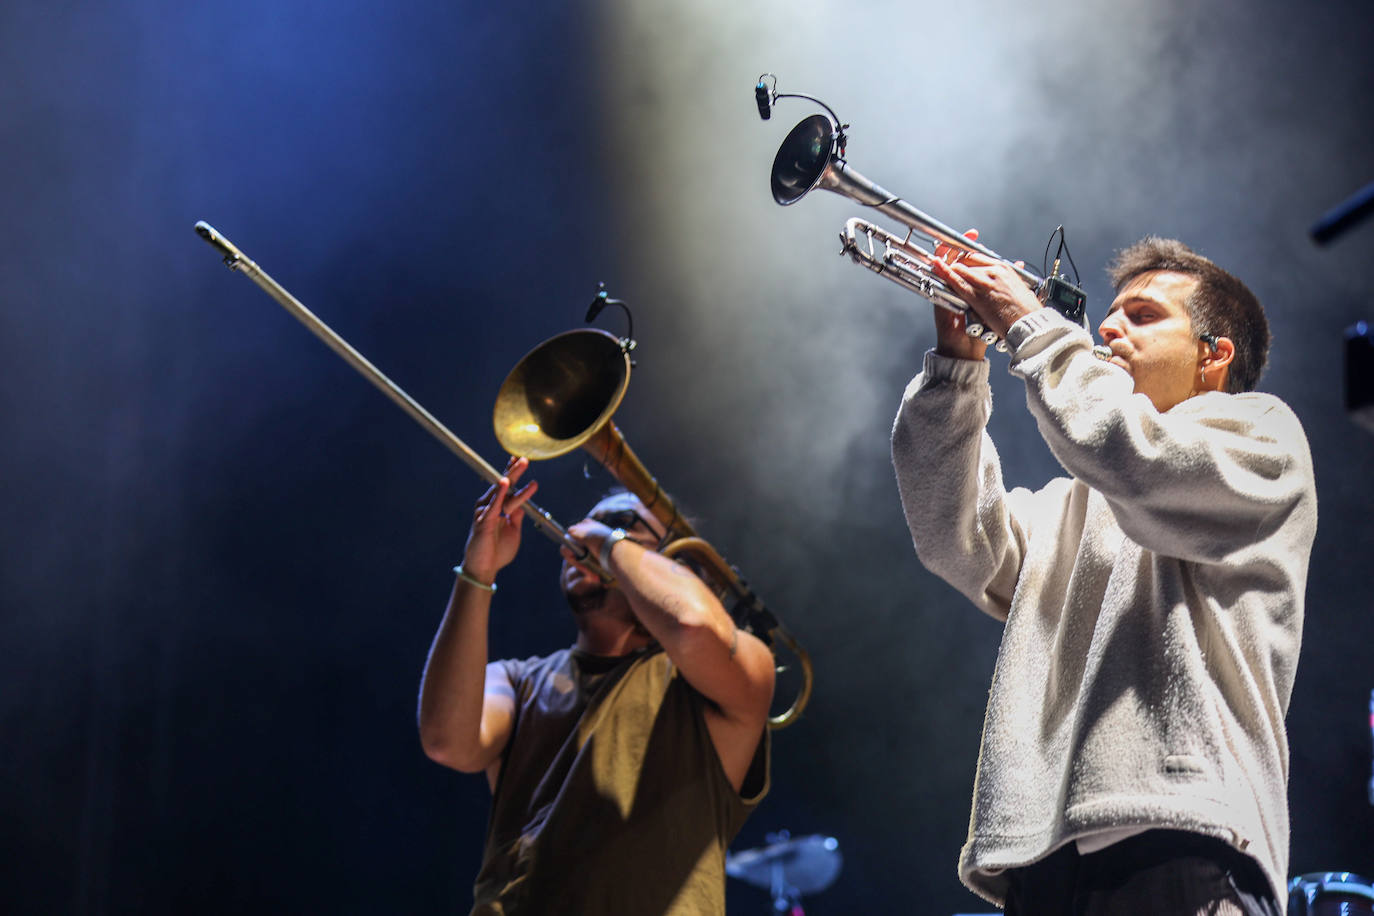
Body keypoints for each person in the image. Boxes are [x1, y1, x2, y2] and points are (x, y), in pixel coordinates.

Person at [891, 234, 1317, 915]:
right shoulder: (1076, 503)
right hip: (1045, 859)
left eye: (1145, 315)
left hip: (1186, 836)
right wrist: (955, 369)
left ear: (1215, 355)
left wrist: (1031, 326)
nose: (1109, 327)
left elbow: (1136, 459)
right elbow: (955, 540)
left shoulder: (1264, 436)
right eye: (1113, 313)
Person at [418, 457, 774, 915]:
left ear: (676, 564)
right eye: (590, 523)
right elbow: (447, 740)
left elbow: (694, 627)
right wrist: (477, 570)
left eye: (625, 524)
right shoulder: (517, 679)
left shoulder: (737, 666)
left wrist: (608, 545)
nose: (581, 533)